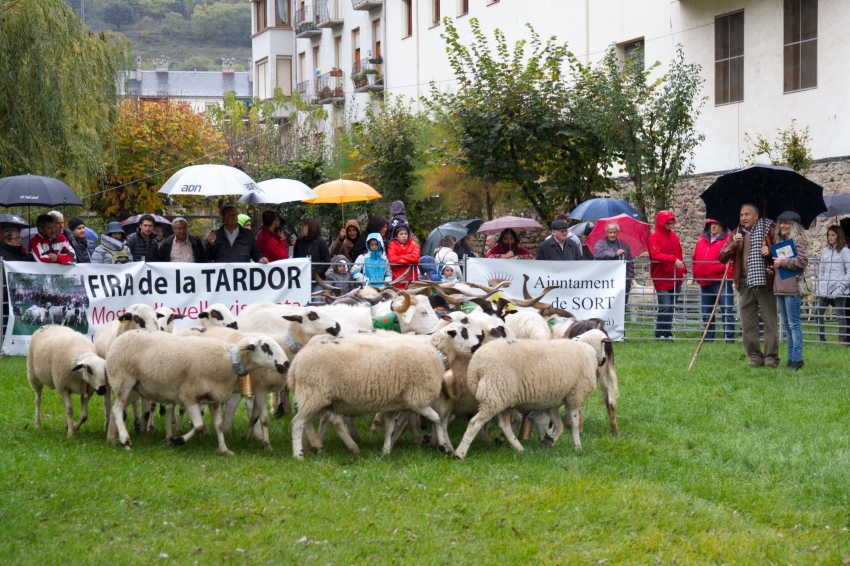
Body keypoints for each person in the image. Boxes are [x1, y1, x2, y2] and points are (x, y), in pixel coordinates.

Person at [719, 204, 779, 368]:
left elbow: (785, 251)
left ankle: (771, 358)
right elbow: (721, 256)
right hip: (744, 284)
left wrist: (771, 251)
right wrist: (733, 245)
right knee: (747, 324)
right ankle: (754, 357)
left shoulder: (770, 230)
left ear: (756, 217)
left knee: (770, 322)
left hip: (765, 283)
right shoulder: (736, 233)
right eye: (741, 214)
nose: (743, 218)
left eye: (747, 214)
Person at [772, 211, 809, 370]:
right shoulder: (781, 241)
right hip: (780, 287)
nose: (783, 226)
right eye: (781, 223)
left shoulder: (799, 240)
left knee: (794, 324)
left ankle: (797, 358)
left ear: (794, 225)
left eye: (787, 223)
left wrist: (783, 261)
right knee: (786, 325)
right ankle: (791, 358)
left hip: (792, 287)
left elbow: (802, 261)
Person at [691, 219, 734, 342]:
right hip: (704, 281)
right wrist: (696, 274)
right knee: (707, 312)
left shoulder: (727, 240)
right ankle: (708, 338)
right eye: (711, 224)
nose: (713, 226)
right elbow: (695, 257)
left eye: (716, 224)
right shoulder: (702, 240)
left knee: (726, 310)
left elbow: (732, 259)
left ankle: (729, 338)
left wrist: (728, 276)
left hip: (721, 281)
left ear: (722, 225)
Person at [649, 211, 687, 340]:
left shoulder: (673, 236)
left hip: (676, 277)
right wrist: (673, 259)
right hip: (661, 277)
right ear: (661, 222)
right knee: (665, 306)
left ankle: (667, 333)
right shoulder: (654, 237)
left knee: (671, 307)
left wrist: (683, 270)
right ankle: (659, 333)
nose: (671, 224)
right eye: (668, 222)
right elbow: (656, 255)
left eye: (672, 222)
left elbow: (679, 254)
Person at [816, 225, 850, 343]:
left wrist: (841, 287)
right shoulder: (825, 250)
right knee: (818, 313)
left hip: (838, 289)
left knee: (840, 315)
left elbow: (849, 271)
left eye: (833, 235)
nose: (830, 237)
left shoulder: (845, 251)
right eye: (829, 235)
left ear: (838, 236)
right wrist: (820, 284)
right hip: (824, 289)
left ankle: (842, 339)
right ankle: (821, 338)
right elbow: (821, 270)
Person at [594, 222, 635, 305]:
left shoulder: (624, 245)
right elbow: (598, 254)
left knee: (623, 303)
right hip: (606, 280)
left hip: (623, 279)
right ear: (606, 232)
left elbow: (630, 262)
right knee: (607, 304)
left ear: (618, 232)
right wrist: (614, 253)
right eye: (610, 232)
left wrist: (629, 277)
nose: (612, 235)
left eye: (614, 232)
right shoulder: (600, 244)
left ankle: (622, 318)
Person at [387, 223, 420, 289]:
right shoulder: (392, 245)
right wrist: (409, 260)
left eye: (405, 234)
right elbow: (392, 260)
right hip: (397, 281)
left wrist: (400, 257)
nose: (404, 236)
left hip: (412, 282)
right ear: (396, 236)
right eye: (401, 234)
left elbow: (415, 259)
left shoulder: (415, 245)